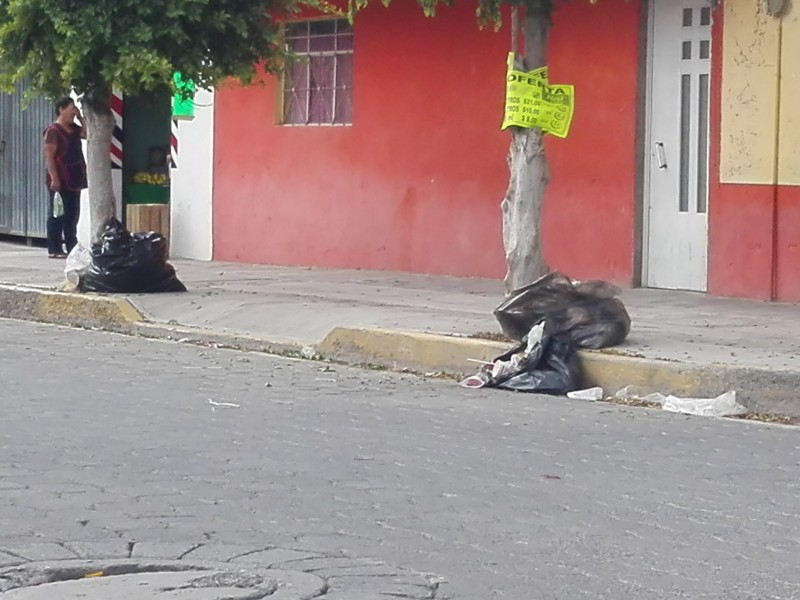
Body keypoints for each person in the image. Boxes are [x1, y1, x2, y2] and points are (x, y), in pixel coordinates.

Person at [43, 96, 87, 258]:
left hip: (74, 176)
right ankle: (54, 248)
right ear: (61, 109)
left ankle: (71, 246)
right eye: (71, 108)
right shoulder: (53, 131)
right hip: (60, 178)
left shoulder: (74, 129)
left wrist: (81, 117)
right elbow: (49, 157)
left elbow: (88, 134)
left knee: (72, 214)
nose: (73, 112)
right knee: (58, 213)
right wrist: (54, 178)